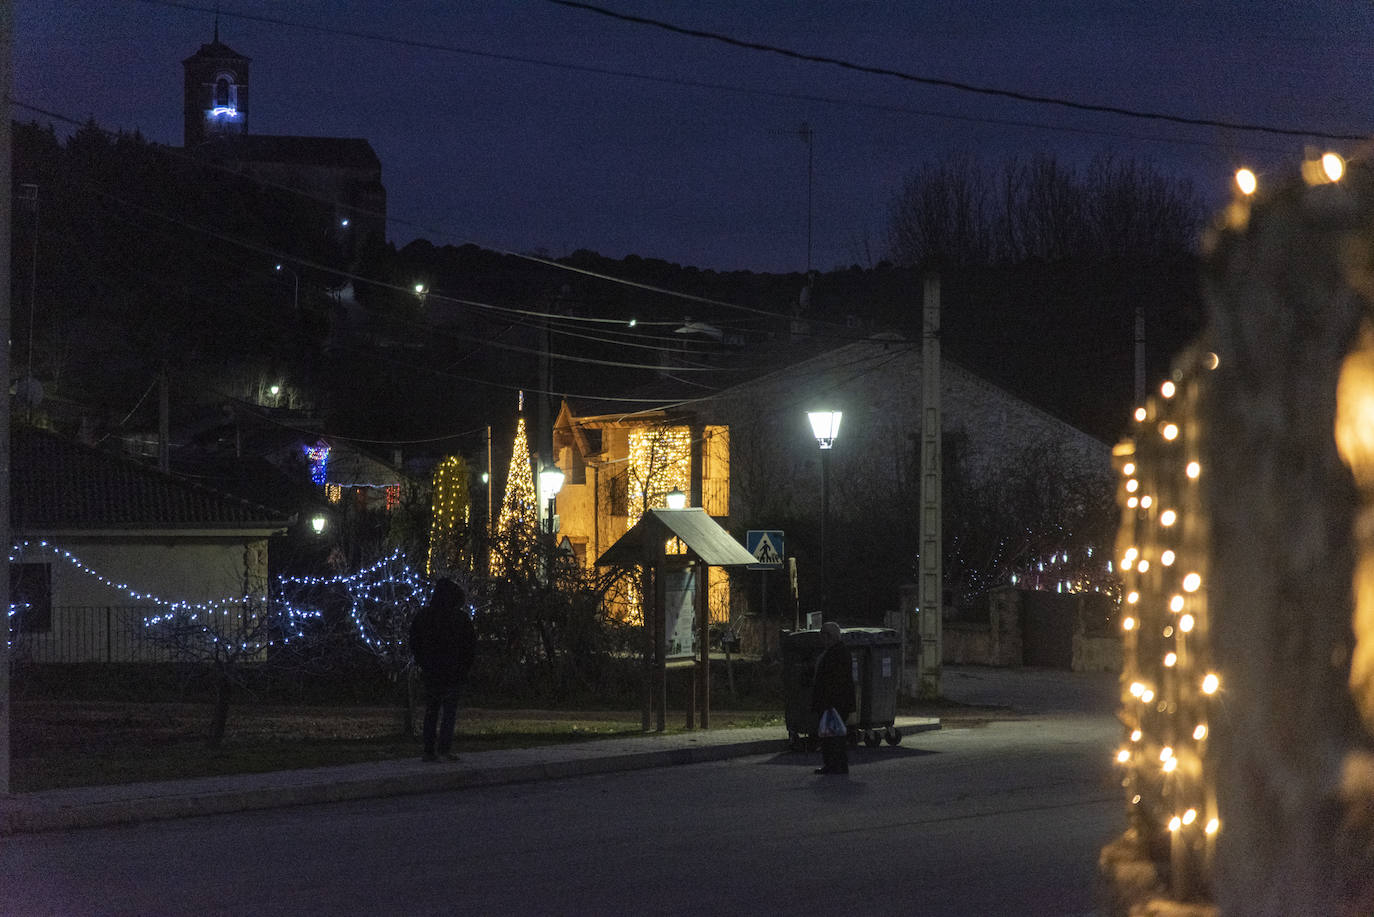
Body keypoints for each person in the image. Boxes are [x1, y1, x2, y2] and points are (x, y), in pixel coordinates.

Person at [408, 578, 477, 762]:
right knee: (448, 713)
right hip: (453, 673)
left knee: (432, 711)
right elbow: (470, 647)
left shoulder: (425, 616)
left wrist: (423, 661)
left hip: (432, 671)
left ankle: (429, 750)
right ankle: (444, 749)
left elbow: (414, 641)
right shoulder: (460, 619)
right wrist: (463, 668)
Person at [810, 620, 855, 775]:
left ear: (830, 636)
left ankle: (832, 765)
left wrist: (828, 702)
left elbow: (833, 680)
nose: (822, 640)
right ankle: (838, 765)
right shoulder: (839, 651)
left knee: (831, 736)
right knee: (835, 735)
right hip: (837, 702)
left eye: (823, 636)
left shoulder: (836, 653)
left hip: (833, 702)